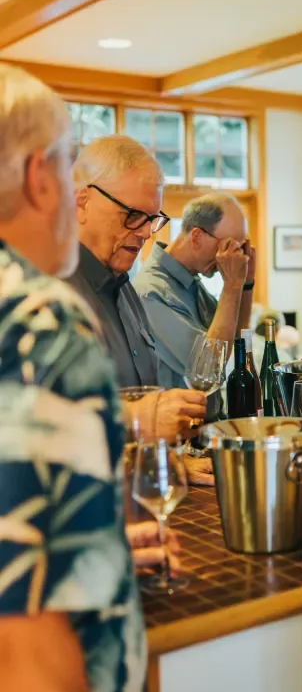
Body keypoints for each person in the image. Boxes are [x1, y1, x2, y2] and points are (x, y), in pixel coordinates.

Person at [0, 65, 147, 692]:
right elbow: (20, 630)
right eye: (68, 162)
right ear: (40, 177)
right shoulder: (39, 324)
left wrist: (96, 543)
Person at [68, 137, 211, 482]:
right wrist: (134, 420)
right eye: (132, 215)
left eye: (153, 218)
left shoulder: (125, 288)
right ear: (81, 202)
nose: (146, 232)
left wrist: (167, 462)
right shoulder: (49, 293)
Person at [133, 192, 255, 389]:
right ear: (197, 237)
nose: (233, 256)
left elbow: (235, 341)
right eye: (228, 245)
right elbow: (207, 373)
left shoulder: (191, 282)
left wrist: (245, 283)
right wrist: (231, 286)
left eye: (239, 247)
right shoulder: (151, 292)